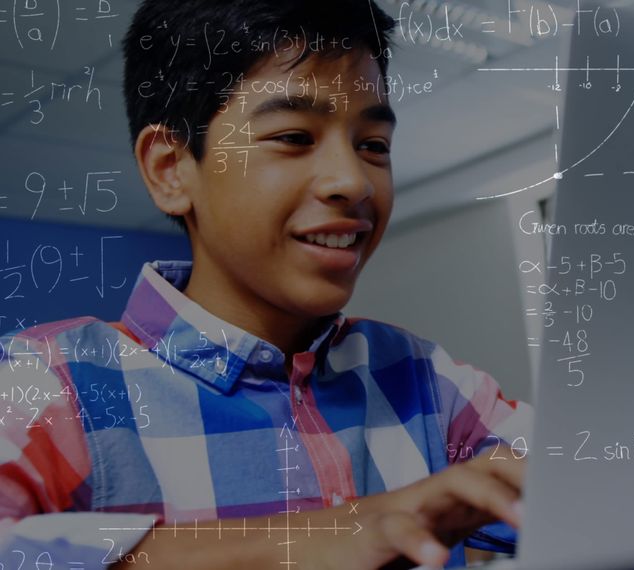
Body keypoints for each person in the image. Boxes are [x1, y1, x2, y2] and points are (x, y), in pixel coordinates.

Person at [0, 1, 530, 569]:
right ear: (171, 169)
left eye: (373, 146)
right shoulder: (49, 382)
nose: (354, 182)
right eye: (294, 136)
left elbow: (590, 485)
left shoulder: (428, 381)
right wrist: (313, 540)